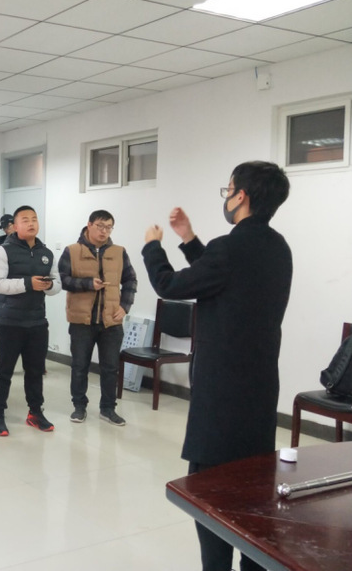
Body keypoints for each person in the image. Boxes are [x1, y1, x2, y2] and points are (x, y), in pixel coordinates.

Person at [141, 161, 292, 571]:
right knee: (251, 495)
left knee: (209, 496)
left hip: (221, 394)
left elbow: (171, 285)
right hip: (260, 390)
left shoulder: (229, 248)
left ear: (241, 195)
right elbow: (221, 278)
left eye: (228, 190)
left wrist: (153, 247)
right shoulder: (278, 248)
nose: (226, 197)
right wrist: (189, 239)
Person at [59, 210, 137, 427]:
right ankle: (79, 407)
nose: (104, 231)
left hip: (111, 320)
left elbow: (131, 280)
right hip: (81, 321)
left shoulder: (119, 252)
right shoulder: (72, 251)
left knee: (110, 368)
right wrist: (87, 284)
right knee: (79, 366)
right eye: (100, 226)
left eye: (109, 227)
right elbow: (62, 280)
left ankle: (108, 409)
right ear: (89, 225)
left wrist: (125, 306)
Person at [0, 205, 60, 436]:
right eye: (25, 220)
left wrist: (48, 285)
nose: (31, 224)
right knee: (4, 370)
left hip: (37, 322)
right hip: (9, 322)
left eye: (34, 219)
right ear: (15, 225)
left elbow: (57, 284)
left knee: (35, 370)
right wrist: (28, 284)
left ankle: (35, 412)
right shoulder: (3, 250)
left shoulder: (46, 253)